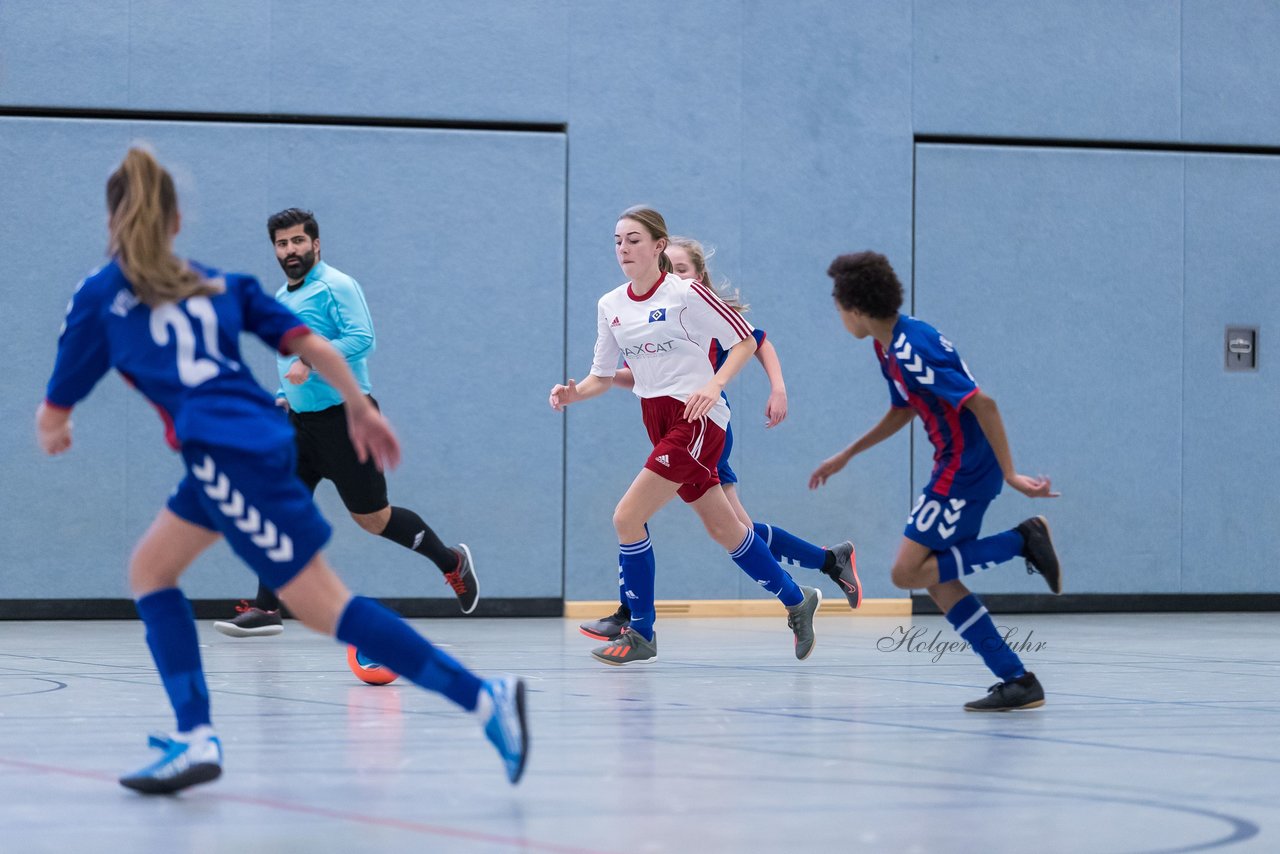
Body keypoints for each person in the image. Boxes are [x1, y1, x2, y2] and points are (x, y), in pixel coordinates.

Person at [36, 148, 528, 792]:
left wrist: (56, 424)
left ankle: (485, 698)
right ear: (178, 222)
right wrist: (362, 406)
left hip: (229, 457)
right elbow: (308, 344)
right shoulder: (223, 283)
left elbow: (56, 404)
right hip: (251, 443)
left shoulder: (99, 294)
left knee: (325, 607)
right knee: (152, 571)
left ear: (112, 223)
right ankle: (195, 735)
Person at [550, 206, 822, 666]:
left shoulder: (687, 293)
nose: (623, 249)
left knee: (627, 516)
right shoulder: (610, 305)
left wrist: (714, 384)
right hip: (655, 418)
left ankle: (641, 631)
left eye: (634, 239)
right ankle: (798, 600)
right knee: (724, 529)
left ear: (659, 246)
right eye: (617, 240)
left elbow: (746, 340)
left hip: (697, 419)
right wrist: (575, 393)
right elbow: (600, 377)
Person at [810, 250, 1062, 711]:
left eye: (839, 305)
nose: (839, 315)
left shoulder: (912, 349)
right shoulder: (890, 344)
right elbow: (903, 409)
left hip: (964, 469)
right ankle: (1017, 679)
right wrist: (848, 453)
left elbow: (983, 403)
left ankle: (1022, 540)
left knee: (906, 570)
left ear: (858, 309)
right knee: (937, 578)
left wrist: (1010, 474)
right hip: (957, 465)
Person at [212, 208, 478, 638]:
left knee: (373, 519)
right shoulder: (283, 297)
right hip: (299, 424)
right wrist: (283, 395)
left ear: (315, 244)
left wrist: (307, 362)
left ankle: (451, 562)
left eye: (298, 241)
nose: (290, 250)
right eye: (282, 244)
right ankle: (265, 607)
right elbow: (289, 358)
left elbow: (362, 337)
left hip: (347, 420)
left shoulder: (336, 285)